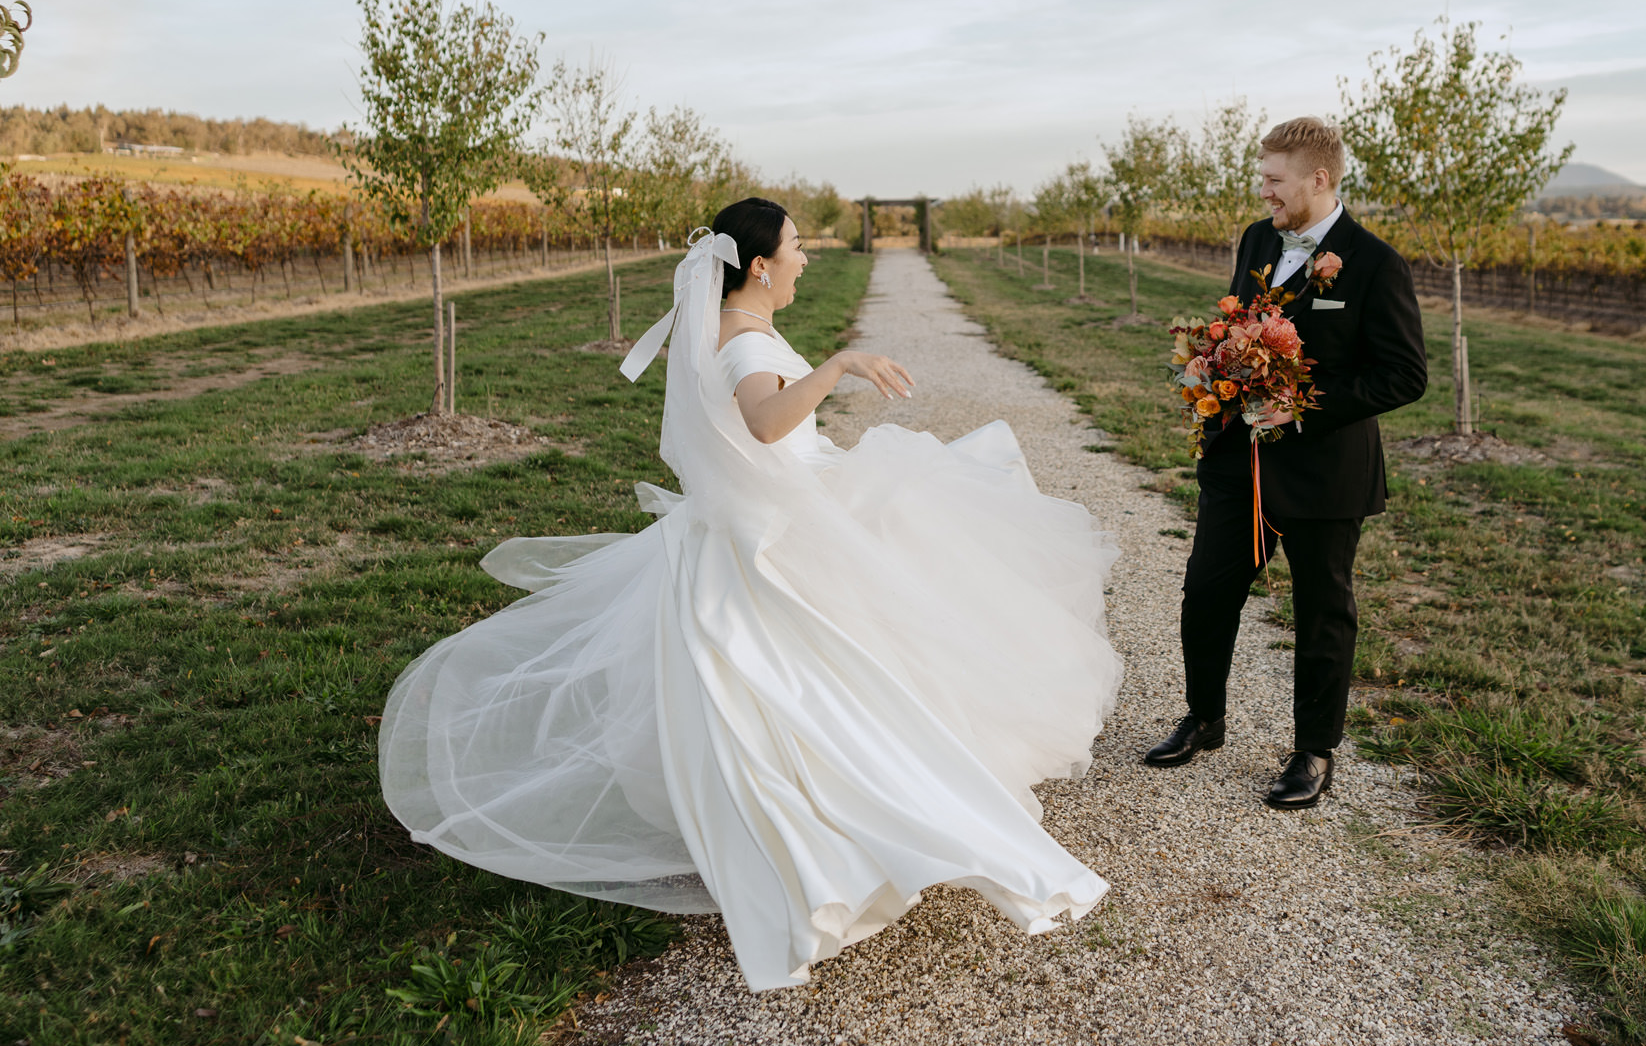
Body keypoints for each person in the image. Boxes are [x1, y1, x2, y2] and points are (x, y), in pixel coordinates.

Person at [379, 197, 1122, 992]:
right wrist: (838, 366)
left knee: (834, 667)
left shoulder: (733, 328)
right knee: (832, 669)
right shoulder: (745, 341)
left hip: (768, 512)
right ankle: (857, 826)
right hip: (777, 527)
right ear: (760, 265)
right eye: (797, 245)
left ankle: (846, 802)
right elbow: (766, 424)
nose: (807, 256)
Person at [1142, 118, 1427, 809]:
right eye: (1263, 178)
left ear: (1318, 178)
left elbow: (1405, 375)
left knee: (1323, 613)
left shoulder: (1375, 263)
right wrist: (1215, 366)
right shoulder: (1257, 238)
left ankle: (1314, 751)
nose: (1264, 191)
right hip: (1239, 463)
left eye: (1275, 180)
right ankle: (1204, 718)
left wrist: (1300, 408)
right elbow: (1243, 324)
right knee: (1206, 592)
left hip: (1326, 472)